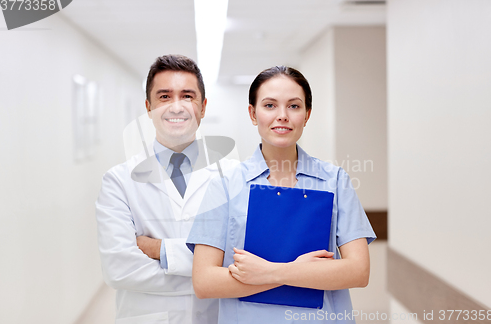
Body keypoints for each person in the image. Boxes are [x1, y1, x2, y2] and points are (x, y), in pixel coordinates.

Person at [187, 66, 376, 323]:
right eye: (270, 105)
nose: (282, 116)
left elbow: (358, 271)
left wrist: (270, 272)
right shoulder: (225, 186)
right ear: (253, 114)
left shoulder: (335, 180)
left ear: (307, 114)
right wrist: (299, 273)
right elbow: (204, 282)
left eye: (294, 106)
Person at [96, 54, 233, 324]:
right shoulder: (119, 181)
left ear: (203, 107)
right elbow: (119, 270)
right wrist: (211, 275)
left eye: (187, 96)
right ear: (148, 107)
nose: (176, 107)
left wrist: (161, 251)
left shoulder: (233, 177)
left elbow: (244, 257)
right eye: (164, 96)